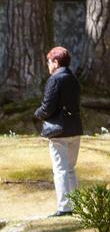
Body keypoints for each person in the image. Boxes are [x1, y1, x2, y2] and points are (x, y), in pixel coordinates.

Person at [34, 46, 83, 217]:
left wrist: (37, 114)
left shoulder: (55, 80)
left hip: (59, 132)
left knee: (60, 170)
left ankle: (64, 207)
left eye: (49, 62)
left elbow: (48, 107)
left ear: (55, 62)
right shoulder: (73, 79)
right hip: (75, 129)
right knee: (70, 169)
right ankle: (76, 204)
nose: (48, 66)